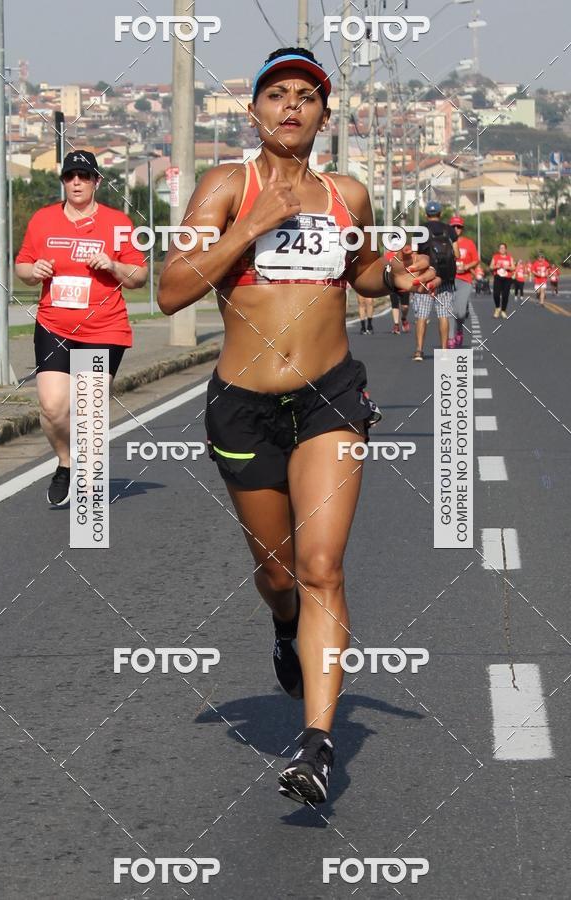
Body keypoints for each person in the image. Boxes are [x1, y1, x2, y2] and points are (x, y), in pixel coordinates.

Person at [157, 47, 437, 805]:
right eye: (276, 94)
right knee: (279, 574)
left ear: (323, 113)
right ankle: (283, 625)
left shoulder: (348, 193)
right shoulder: (227, 186)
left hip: (331, 398)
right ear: (253, 111)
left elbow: (363, 273)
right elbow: (171, 290)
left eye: (306, 96)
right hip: (244, 403)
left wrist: (398, 277)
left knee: (321, 566)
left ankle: (316, 746)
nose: (291, 106)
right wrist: (253, 223)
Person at [15, 151, 148, 506]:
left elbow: (139, 276)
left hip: (103, 329)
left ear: (97, 182)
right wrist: (34, 271)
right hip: (54, 324)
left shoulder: (118, 223)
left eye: (84, 177)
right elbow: (22, 265)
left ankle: (87, 474)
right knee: (53, 407)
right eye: (70, 176)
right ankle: (66, 462)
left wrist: (113, 265)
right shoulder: (43, 220)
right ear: (63, 181)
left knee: (87, 408)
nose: (76, 182)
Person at [410, 200, 458, 361]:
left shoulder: (419, 231)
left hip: (425, 278)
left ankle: (418, 351)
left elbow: (414, 256)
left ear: (426, 215)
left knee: (422, 316)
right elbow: (456, 253)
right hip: (444, 279)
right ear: (440, 214)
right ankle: (444, 351)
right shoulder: (449, 230)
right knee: (443, 315)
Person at [449, 216, 478, 348]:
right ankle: (450, 338)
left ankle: (459, 329)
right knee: (448, 309)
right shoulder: (446, 242)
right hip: (449, 279)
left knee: (460, 312)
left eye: (459, 227)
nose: (456, 229)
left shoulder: (469, 243)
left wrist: (466, 267)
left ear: (462, 229)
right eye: (454, 226)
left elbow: (476, 260)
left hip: (465, 280)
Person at [385, 240, 410, 334]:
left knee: (405, 307)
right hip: (393, 284)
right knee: (394, 304)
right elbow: (385, 269)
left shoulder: (405, 254)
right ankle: (396, 325)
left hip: (404, 283)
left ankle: (403, 318)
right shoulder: (388, 255)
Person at [489, 242, 515, 318]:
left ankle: (503, 310)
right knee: (496, 294)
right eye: (500, 248)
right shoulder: (495, 257)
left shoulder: (510, 257)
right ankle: (497, 308)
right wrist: (496, 266)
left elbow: (513, 268)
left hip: (507, 278)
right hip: (498, 277)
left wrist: (508, 267)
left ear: (506, 249)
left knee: (505, 295)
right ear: (498, 249)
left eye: (503, 248)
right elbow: (491, 267)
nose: (502, 249)